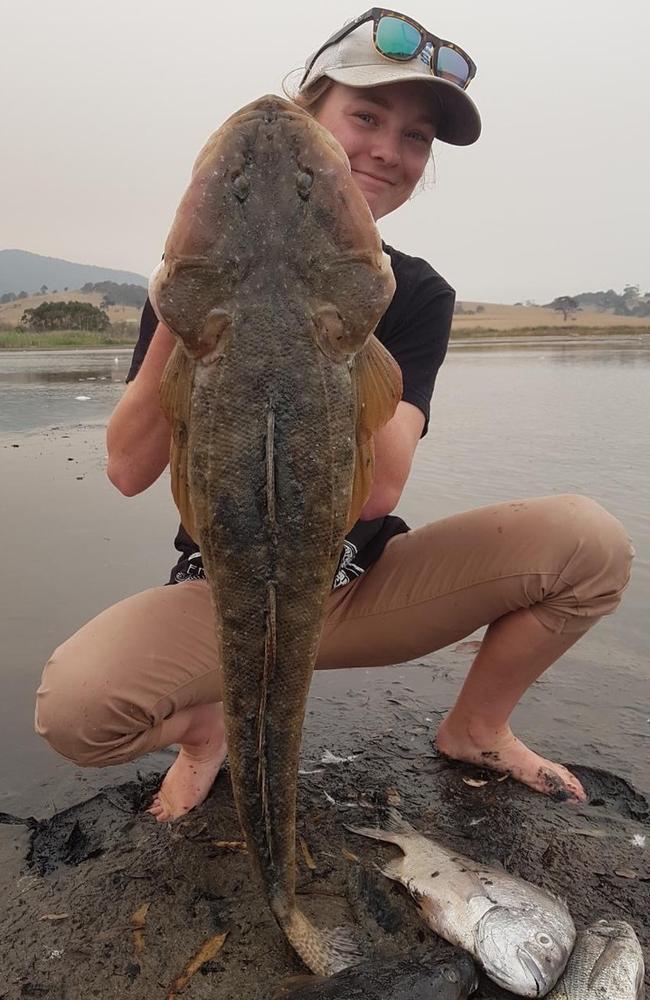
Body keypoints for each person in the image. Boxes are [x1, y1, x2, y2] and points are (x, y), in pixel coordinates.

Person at [35, 9, 633, 821]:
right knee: (77, 705)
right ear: (313, 115)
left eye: (416, 137)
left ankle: (477, 728)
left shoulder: (413, 293)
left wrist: (350, 306)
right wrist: (184, 307)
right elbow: (127, 470)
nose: (390, 149)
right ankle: (206, 730)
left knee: (589, 543)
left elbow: (379, 491)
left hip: (355, 583)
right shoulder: (196, 276)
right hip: (227, 592)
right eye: (366, 117)